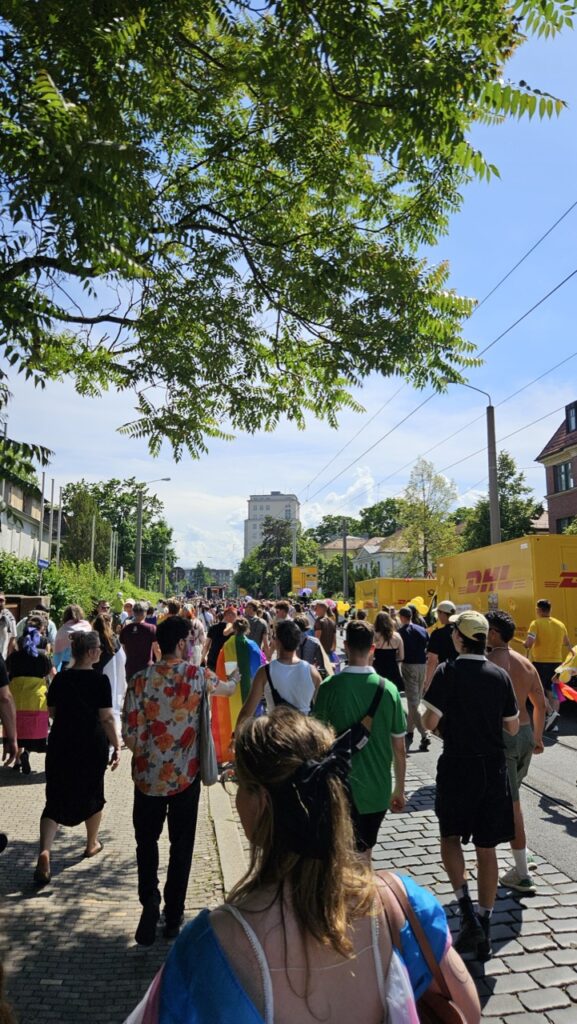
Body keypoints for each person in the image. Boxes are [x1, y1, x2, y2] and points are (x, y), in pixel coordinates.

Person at [124, 708, 480, 1024]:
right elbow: (468, 1009)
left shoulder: (211, 945)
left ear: (261, 802)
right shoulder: (402, 906)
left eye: (239, 784)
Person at [122, 615, 236, 946]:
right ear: (184, 643)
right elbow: (228, 689)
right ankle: (173, 914)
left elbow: (129, 733)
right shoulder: (198, 676)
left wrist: (148, 751)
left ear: (159, 644)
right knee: (181, 845)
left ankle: (149, 903)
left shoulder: (140, 680)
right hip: (185, 777)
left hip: (147, 777)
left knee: (146, 842)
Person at [422, 610, 519, 961]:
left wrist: (442, 726)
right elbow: (511, 727)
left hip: (458, 765)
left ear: (460, 638)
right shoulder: (499, 675)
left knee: (450, 837)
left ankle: (464, 910)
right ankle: (485, 922)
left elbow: (429, 720)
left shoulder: (448, 671)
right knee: (487, 847)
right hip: (491, 770)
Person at [34, 630, 121, 886]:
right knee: (93, 792)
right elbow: (106, 718)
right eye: (99, 649)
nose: (101, 652)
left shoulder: (60, 679)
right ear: (92, 652)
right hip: (90, 744)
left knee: (55, 797)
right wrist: (116, 745)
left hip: (61, 742)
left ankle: (45, 852)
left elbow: (51, 711)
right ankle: (91, 843)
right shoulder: (100, 681)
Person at [314, 620, 406, 856]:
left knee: (341, 855)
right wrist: (400, 789)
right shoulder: (389, 690)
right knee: (365, 854)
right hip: (377, 790)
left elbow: (317, 742)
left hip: (338, 788)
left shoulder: (329, 687)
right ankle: (364, 892)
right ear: (372, 648)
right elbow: (399, 747)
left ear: (345, 646)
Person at [486, 610, 546, 894]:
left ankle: (522, 873)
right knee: (515, 797)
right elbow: (541, 703)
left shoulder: (490, 664)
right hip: (524, 735)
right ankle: (522, 853)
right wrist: (537, 737)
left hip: (505, 736)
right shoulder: (526, 664)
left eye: (486, 630)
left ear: (495, 634)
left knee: (513, 804)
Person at [236, 619, 321, 726]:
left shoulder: (264, 672)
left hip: (276, 734)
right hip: (303, 734)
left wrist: (236, 739)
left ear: (277, 642)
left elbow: (246, 713)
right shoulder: (313, 672)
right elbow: (321, 710)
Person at [6, 618, 52, 774]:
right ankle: (27, 753)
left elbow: (6, 675)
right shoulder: (42, 656)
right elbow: (51, 674)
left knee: (18, 727)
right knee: (33, 730)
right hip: (35, 698)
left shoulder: (14, 657)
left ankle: (17, 759)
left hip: (16, 697)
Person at [524, 598, 572, 732]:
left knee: (536, 690)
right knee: (554, 691)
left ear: (538, 610)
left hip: (540, 662)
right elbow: (567, 643)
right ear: (550, 610)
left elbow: (529, 643)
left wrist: (525, 644)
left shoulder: (535, 624)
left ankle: (550, 713)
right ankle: (554, 723)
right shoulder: (560, 624)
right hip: (557, 662)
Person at [397, 606, 430, 751]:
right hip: (422, 666)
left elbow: (399, 652)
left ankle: (425, 733)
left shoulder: (401, 632)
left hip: (409, 666)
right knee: (416, 699)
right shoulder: (422, 630)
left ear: (402, 617)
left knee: (414, 701)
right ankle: (409, 731)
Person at [93, 613, 126, 728]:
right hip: (113, 680)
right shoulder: (114, 640)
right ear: (110, 623)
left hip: (97, 677)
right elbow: (122, 659)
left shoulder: (93, 639)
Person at [424, 600, 457, 688]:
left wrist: (427, 682)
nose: (438, 617)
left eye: (438, 614)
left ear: (443, 614)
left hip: (445, 674)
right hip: (462, 675)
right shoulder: (462, 631)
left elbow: (432, 660)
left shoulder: (437, 634)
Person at [372, 611, 404, 692]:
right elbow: (402, 657)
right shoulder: (397, 636)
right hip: (393, 669)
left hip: (378, 667)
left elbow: (370, 654)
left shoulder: (374, 635)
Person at [52, 604, 91, 670]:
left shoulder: (63, 630)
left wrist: (54, 666)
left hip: (67, 665)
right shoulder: (87, 627)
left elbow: (57, 653)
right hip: (84, 664)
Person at [204, 604, 236, 671]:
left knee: (211, 680)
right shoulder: (234, 630)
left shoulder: (213, 627)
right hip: (227, 661)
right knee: (226, 681)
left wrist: (203, 658)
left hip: (212, 659)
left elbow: (206, 645)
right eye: (235, 616)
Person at [0, 593, 17, 660]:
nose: (0, 603)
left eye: (1, 600)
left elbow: (12, 638)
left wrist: (8, 658)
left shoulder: (10, 617)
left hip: (2, 657)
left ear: (5, 601)